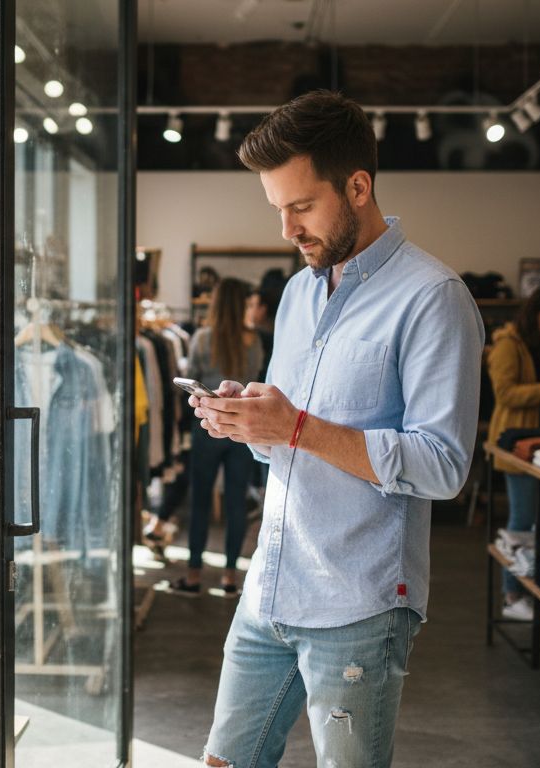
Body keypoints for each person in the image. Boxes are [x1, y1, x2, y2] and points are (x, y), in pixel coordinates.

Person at [189, 90, 483, 768]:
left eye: (302, 205)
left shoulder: (433, 299)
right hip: (271, 585)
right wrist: (249, 422)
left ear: (357, 186)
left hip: (360, 602)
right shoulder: (297, 293)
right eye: (278, 210)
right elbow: (286, 446)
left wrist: (295, 427)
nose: (288, 229)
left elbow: (443, 466)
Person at [168, 278, 262, 596]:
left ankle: (194, 575)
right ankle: (230, 578)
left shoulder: (202, 339)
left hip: (207, 427)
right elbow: (257, 380)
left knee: (200, 502)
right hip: (242, 430)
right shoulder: (254, 341)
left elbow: (190, 376)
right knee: (237, 503)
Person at [486, 284, 540, 621]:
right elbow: (505, 394)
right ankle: (511, 595)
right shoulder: (509, 345)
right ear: (536, 313)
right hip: (518, 446)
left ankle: (537, 589)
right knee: (522, 522)